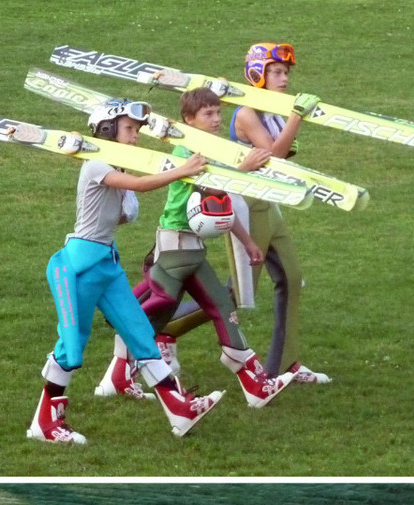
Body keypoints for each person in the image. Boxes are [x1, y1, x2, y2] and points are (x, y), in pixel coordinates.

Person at [26, 97, 224, 443]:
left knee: (140, 335)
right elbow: (140, 186)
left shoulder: (115, 169)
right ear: (107, 130)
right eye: (129, 129)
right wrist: (182, 170)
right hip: (79, 267)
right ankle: (45, 424)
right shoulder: (96, 166)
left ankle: (179, 409)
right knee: (72, 347)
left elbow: (124, 209)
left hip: (107, 264)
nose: (135, 137)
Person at [94, 88, 297, 409]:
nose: (217, 119)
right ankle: (120, 367)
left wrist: (247, 241)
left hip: (191, 247)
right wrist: (244, 169)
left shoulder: (213, 151)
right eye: (208, 114)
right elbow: (210, 187)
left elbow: (219, 202)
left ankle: (255, 386)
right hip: (175, 245)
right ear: (189, 120)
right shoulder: (186, 151)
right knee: (161, 307)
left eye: (218, 113)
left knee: (221, 308)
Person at [229, 42, 331, 384]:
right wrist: (296, 118)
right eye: (276, 72)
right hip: (248, 206)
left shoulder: (271, 109)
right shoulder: (247, 112)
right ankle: (157, 334)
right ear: (257, 74)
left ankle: (285, 364)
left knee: (290, 279)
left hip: (269, 204)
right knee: (232, 297)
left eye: (286, 72)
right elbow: (272, 154)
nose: (284, 79)